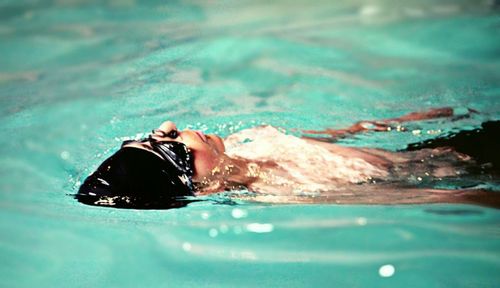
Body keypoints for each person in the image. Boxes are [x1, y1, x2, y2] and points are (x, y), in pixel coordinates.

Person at [76, 107, 500, 209]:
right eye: (170, 145)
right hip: (452, 169)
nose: (170, 126)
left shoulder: (246, 140)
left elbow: (322, 137)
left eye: (153, 135)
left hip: (432, 146)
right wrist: (470, 197)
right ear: (205, 184)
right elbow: (400, 196)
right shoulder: (281, 192)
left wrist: (388, 124)